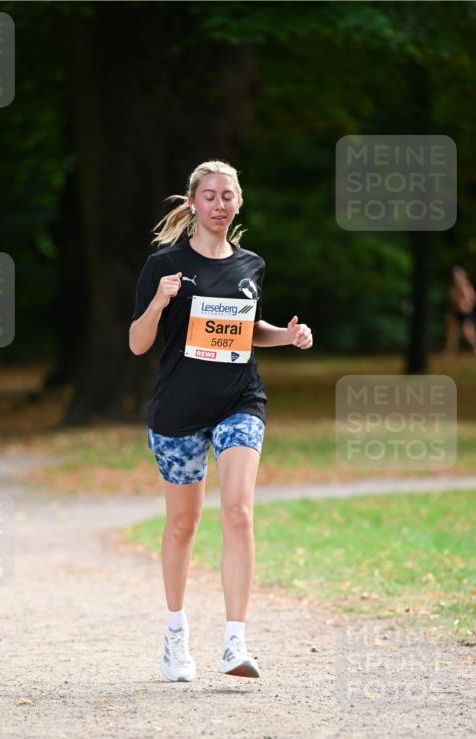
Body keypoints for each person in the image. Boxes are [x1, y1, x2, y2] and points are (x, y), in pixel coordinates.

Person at [129, 159, 313, 683]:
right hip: (178, 410)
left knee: (238, 511)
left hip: (240, 400)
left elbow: (247, 330)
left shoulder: (251, 264)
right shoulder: (163, 266)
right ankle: (174, 635)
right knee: (183, 524)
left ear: (238, 202)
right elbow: (138, 343)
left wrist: (289, 336)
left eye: (227, 196)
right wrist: (160, 302)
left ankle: (235, 643)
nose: (218, 204)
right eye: (209, 196)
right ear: (193, 203)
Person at [443, 266, 476, 360]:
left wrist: (465, 302)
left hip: (465, 313)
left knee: (469, 334)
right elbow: (452, 302)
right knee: (452, 334)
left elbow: (472, 299)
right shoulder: (454, 288)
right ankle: (450, 353)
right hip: (456, 312)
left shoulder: (466, 286)